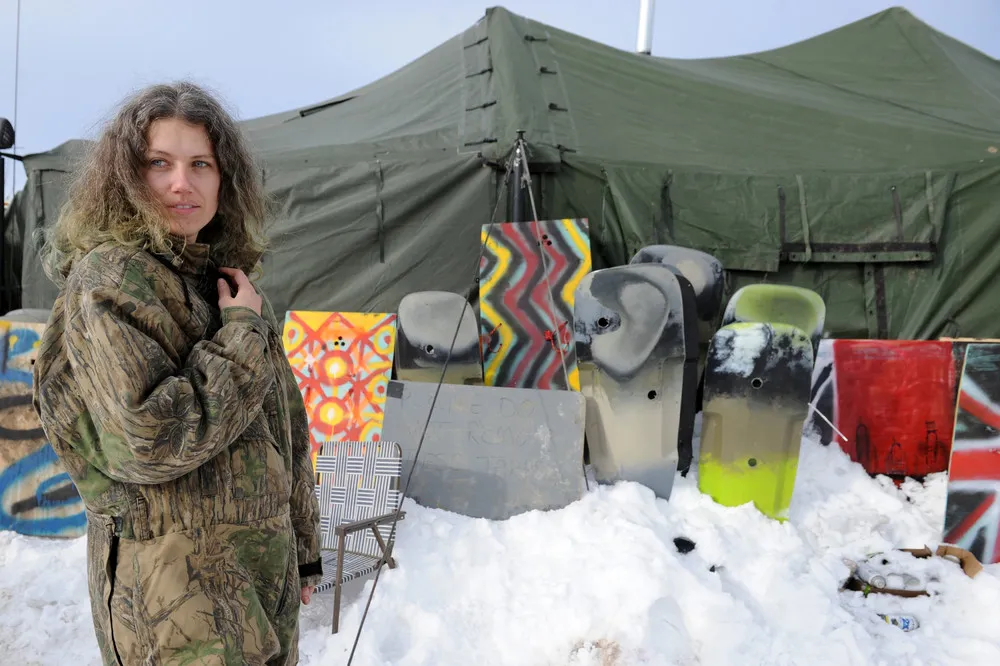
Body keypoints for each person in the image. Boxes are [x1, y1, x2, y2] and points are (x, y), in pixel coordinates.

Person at [32, 81, 323, 666]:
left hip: (258, 581)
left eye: (200, 164)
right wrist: (241, 336)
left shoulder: (221, 283)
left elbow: (285, 431)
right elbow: (148, 438)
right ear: (126, 177)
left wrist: (304, 550)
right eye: (158, 163)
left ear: (225, 180)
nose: (181, 183)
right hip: (177, 602)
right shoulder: (112, 278)